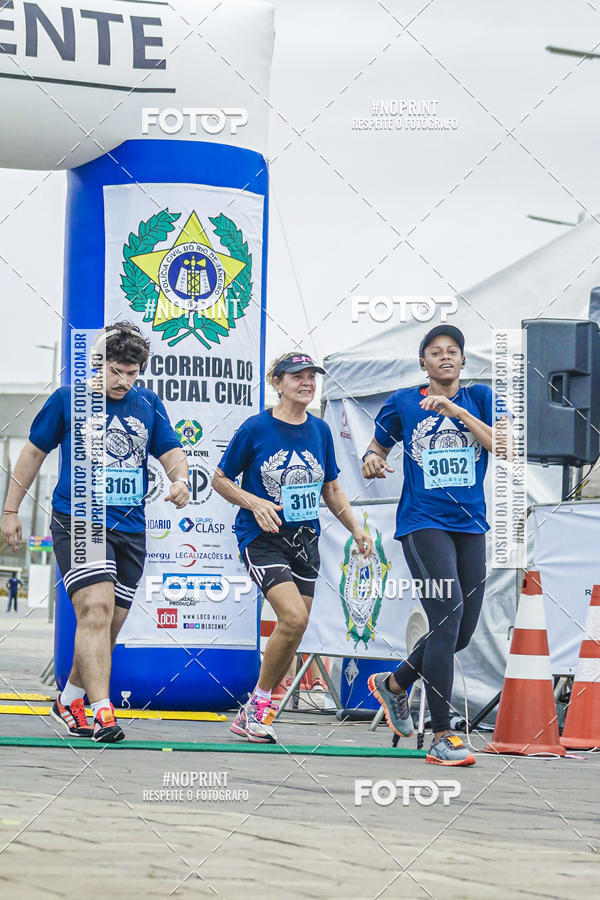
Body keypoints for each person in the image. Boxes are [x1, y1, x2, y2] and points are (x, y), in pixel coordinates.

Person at [1, 323, 190, 742]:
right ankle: (103, 712)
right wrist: (11, 509)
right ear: (98, 365)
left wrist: (180, 479)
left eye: (131, 373)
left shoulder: (148, 403)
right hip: (79, 519)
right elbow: (33, 452)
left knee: (107, 624)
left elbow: (171, 451)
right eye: (115, 371)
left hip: (130, 528)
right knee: (95, 610)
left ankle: (69, 698)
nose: (123, 381)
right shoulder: (68, 399)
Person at [361, 325, 510, 766]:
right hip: (423, 523)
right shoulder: (403, 402)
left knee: (460, 633)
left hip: (470, 525)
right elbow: (376, 449)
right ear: (422, 362)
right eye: (435, 351)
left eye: (452, 351)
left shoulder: (481, 398)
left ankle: (394, 685)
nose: (445, 356)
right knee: (447, 617)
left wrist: (454, 410)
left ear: (463, 360)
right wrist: (372, 460)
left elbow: (504, 446)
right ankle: (443, 736)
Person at [213, 351, 374, 743]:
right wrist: (254, 502)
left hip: (305, 541)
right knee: (294, 618)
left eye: (311, 377)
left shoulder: (319, 430)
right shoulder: (256, 427)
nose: (307, 383)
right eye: (297, 376)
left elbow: (331, 488)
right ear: (277, 382)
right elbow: (220, 479)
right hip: (262, 538)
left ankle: (256, 709)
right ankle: (259, 706)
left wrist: (356, 529)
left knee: (295, 628)